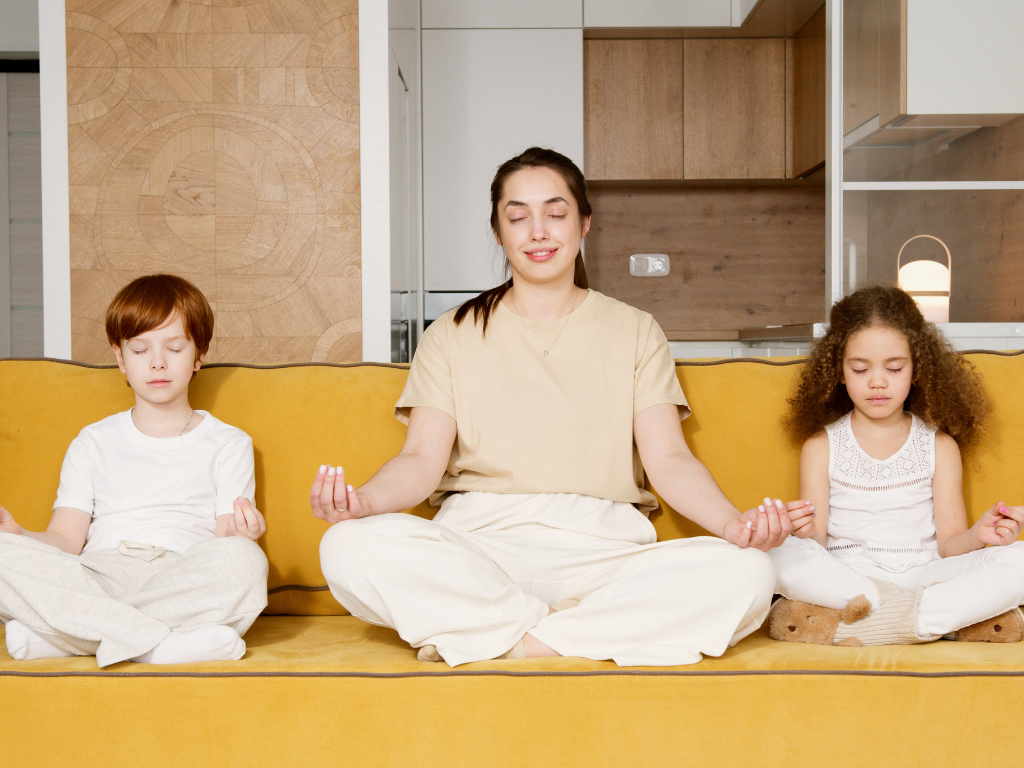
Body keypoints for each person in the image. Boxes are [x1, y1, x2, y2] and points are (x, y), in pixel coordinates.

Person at [312, 147, 812, 667]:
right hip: (479, 548)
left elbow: (669, 460)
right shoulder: (451, 333)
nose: (538, 231)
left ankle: (509, 640)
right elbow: (419, 459)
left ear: (584, 223)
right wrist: (362, 504)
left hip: (604, 550)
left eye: (555, 213)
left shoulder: (636, 330)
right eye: (518, 216)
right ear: (498, 230)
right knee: (345, 546)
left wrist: (734, 526)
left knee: (751, 572)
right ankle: (574, 634)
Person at [0, 274, 269, 667]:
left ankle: (72, 635)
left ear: (198, 355)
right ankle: (158, 646)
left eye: (174, 348)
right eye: (140, 349)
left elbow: (223, 539)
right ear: (120, 358)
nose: (158, 361)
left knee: (246, 562)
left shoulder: (229, 443)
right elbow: (65, 538)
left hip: (183, 571)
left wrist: (243, 535)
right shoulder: (92, 441)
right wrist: (20, 537)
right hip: (99, 572)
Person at [769, 284, 1024, 646]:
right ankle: (930, 620)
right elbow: (816, 544)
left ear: (916, 369)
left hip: (925, 574)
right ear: (838, 371)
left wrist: (980, 535)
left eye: (894, 368)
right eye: (860, 369)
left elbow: (950, 544)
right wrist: (798, 529)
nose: (877, 381)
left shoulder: (939, 445)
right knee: (777, 554)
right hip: (850, 578)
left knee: (1020, 560)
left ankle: (870, 623)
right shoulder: (820, 445)